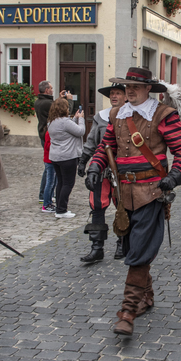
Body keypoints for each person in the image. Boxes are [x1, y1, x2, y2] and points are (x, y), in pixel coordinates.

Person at [85, 67, 181, 336]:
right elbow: (105, 145)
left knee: (139, 251)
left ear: (148, 89)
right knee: (133, 246)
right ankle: (147, 296)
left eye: (135, 87)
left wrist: (176, 175)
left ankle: (128, 311)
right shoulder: (116, 115)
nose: (129, 91)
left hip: (151, 191)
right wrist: (95, 166)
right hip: (124, 193)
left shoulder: (163, 115)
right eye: (125, 86)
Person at [77, 84, 127, 263]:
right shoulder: (101, 116)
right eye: (112, 94)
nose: (114, 96)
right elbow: (92, 141)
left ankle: (123, 243)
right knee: (97, 205)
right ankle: (96, 247)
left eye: (118, 93)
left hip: (123, 169)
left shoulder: (132, 116)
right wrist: (84, 161)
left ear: (125, 96)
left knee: (123, 205)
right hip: (102, 168)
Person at [35, 81, 72, 205]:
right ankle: (45, 195)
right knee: (50, 168)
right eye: (51, 88)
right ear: (46, 90)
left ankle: (46, 194)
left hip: (45, 134)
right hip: (49, 136)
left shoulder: (39, 101)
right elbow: (61, 112)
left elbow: (53, 107)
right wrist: (69, 101)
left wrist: (59, 99)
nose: (52, 89)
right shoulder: (46, 103)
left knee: (50, 167)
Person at [48, 98, 85, 218]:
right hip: (67, 157)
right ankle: (62, 210)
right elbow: (80, 131)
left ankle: (59, 208)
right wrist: (81, 119)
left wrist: (75, 118)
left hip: (56, 156)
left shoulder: (51, 121)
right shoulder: (65, 122)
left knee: (60, 182)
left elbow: (68, 130)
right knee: (68, 183)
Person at [42, 131, 56, 212]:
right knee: (50, 183)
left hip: (53, 160)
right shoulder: (49, 133)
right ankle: (46, 204)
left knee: (53, 183)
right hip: (49, 161)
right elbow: (47, 146)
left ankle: (49, 202)